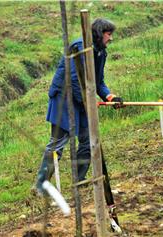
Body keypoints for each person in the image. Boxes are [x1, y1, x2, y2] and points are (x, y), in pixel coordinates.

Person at [35, 18, 123, 196]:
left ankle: (79, 181)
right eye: (108, 34)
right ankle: (40, 185)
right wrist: (87, 102)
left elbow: (98, 81)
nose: (111, 39)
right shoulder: (79, 47)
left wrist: (109, 96)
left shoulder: (100, 52)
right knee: (57, 143)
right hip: (64, 99)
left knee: (88, 139)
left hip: (82, 101)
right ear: (99, 33)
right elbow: (75, 81)